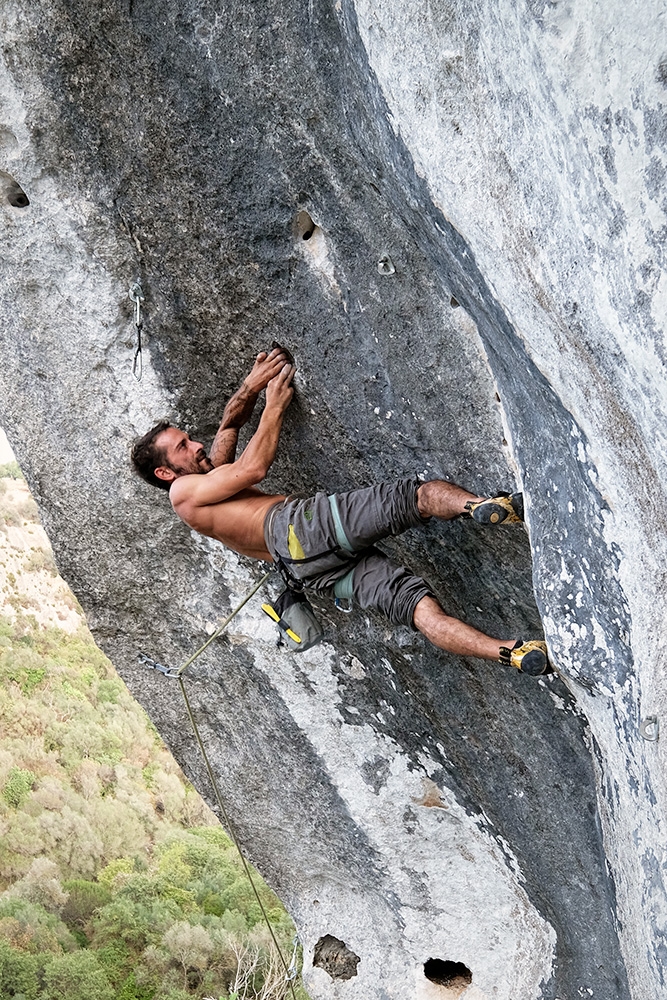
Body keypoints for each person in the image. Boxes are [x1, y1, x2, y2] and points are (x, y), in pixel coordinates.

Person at [131, 348, 549, 675]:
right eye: (183, 447)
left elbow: (225, 432)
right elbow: (252, 468)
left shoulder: (201, 488)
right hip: (300, 529)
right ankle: (481, 506)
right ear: (165, 472)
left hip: (311, 570)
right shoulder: (182, 493)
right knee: (414, 497)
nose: (195, 445)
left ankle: (512, 653)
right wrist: (275, 401)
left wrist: (249, 388)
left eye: (188, 438)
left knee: (418, 609)